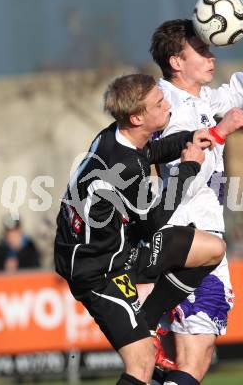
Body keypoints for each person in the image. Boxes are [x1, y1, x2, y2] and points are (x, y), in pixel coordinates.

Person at [54, 74, 229, 385]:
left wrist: (192, 136)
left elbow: (151, 153)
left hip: (123, 250)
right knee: (143, 362)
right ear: (136, 117)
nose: (167, 106)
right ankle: (145, 326)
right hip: (97, 271)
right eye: (159, 104)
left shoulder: (115, 137)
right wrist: (189, 166)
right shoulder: (124, 168)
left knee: (212, 250)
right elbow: (153, 222)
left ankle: (146, 319)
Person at [148, 19, 243, 384]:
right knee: (194, 357)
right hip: (190, 233)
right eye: (202, 50)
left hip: (200, 234)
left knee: (179, 361)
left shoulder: (197, 98)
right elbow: (181, 183)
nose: (211, 56)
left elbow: (231, 95)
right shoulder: (169, 106)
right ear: (176, 61)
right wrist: (219, 135)